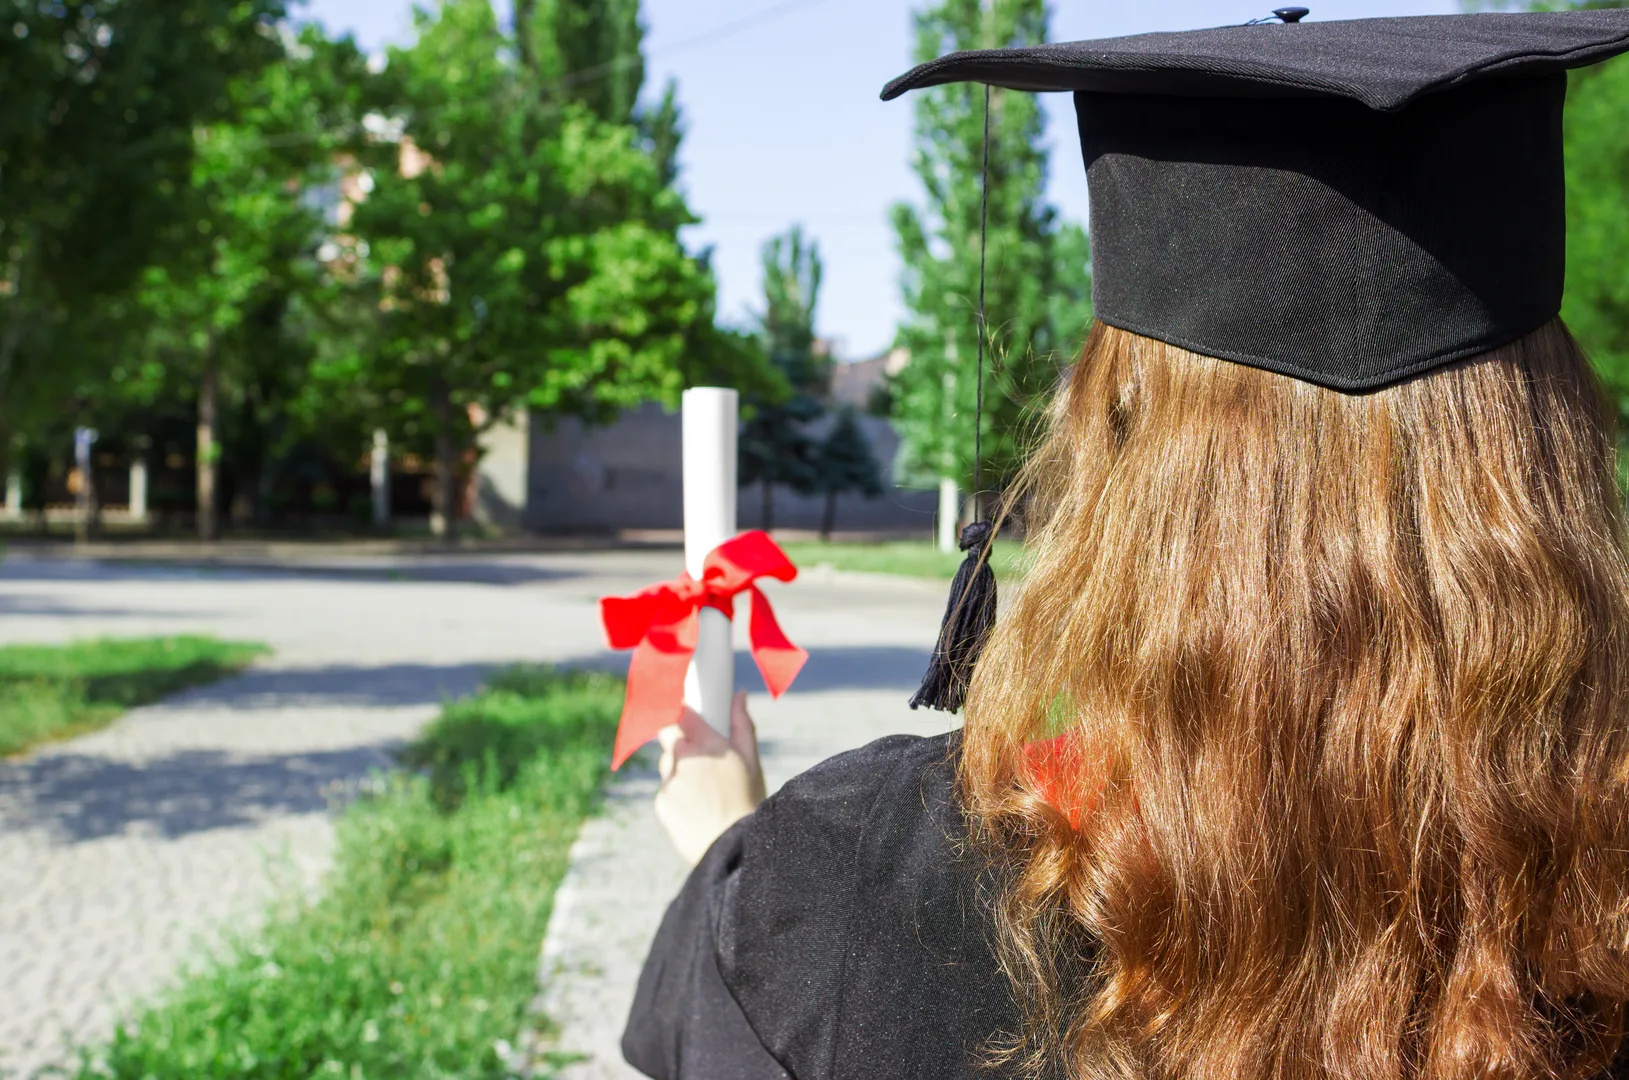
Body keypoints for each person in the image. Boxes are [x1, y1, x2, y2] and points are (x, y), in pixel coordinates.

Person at [622, 10, 1629, 1080]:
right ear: (1547, 450)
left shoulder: (845, 881)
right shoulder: (1595, 893)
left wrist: (733, 852)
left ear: (1114, 429)